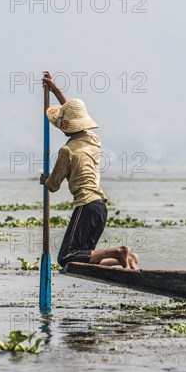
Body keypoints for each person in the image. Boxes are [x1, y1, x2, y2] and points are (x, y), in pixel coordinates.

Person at [39, 71, 139, 270]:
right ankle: (130, 259)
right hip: (100, 207)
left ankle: (118, 252)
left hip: (86, 205)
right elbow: (72, 111)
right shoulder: (93, 140)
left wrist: (45, 179)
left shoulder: (66, 151)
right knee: (81, 260)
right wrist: (56, 88)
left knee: (66, 257)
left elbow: (53, 186)